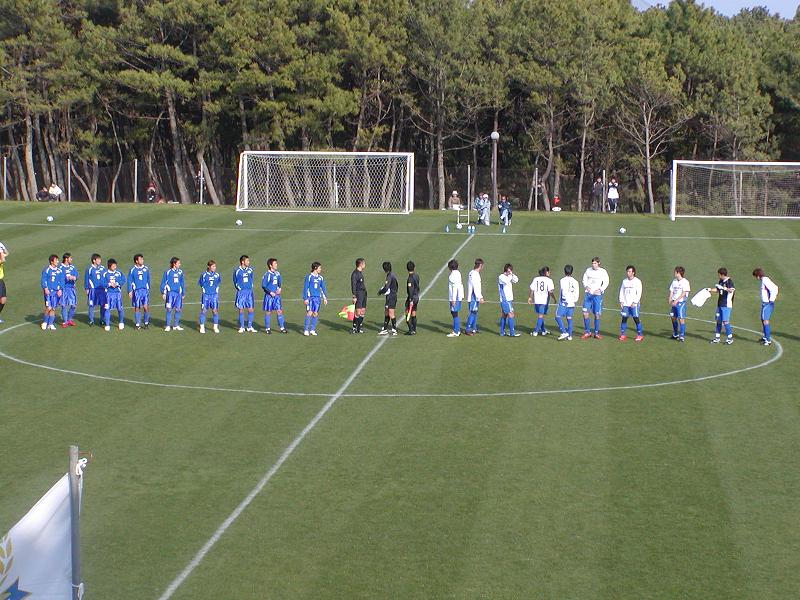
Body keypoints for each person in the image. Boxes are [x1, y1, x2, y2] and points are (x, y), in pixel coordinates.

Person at [581, 257, 610, 339]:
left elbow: (606, 281)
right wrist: (586, 286)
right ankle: (587, 332)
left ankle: (596, 333)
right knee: (585, 313)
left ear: (598, 263)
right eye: (593, 263)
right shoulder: (588, 270)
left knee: (597, 314)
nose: (593, 265)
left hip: (597, 296)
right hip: (588, 295)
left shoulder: (603, 271)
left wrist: (600, 289)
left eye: (595, 263)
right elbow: (584, 279)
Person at [706, 268, 735, 345]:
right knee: (718, 321)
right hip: (720, 304)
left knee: (725, 321)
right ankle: (717, 338)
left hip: (726, 305)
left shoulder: (729, 281)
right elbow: (718, 290)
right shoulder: (721, 281)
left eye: (718, 274)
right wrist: (710, 289)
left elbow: (731, 290)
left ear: (722, 274)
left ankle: (730, 338)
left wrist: (724, 288)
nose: (718, 276)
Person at [753, 268, 779, 346]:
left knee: (765, 321)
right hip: (765, 304)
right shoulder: (763, 280)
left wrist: (771, 300)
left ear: (758, 275)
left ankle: (768, 340)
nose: (756, 278)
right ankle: (765, 337)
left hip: (767, 304)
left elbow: (775, 288)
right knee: (763, 319)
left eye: (756, 276)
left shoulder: (765, 280)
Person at [261, 258, 287, 334]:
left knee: (279, 311)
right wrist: (270, 292)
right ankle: (267, 328)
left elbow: (279, 282)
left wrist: (279, 288)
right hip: (269, 297)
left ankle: (282, 328)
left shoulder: (277, 273)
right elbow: (263, 286)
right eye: (275, 263)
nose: (276, 265)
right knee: (268, 312)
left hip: (276, 296)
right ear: (270, 265)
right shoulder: (267, 274)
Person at [618, 265, 644, 342]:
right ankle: (622, 334)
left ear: (633, 272)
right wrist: (621, 301)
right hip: (625, 304)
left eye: (629, 271)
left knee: (636, 318)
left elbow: (639, 293)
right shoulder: (624, 281)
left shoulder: (637, 281)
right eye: (627, 271)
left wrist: (635, 302)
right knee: (624, 318)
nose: (628, 273)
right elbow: (621, 291)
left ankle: (639, 335)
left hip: (634, 304)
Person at [528, 266, 555, 336]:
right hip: (544, 300)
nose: (549, 273)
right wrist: (554, 298)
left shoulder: (536, 279)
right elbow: (550, 291)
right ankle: (536, 332)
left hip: (537, 300)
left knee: (540, 315)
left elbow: (532, 289)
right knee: (540, 316)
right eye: (549, 272)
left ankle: (543, 330)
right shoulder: (549, 280)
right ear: (546, 272)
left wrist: (530, 298)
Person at [302, 261, 327, 336]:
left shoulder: (320, 278)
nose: (320, 269)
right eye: (320, 268)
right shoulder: (309, 277)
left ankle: (312, 329)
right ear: (315, 268)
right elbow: (305, 288)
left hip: (317, 298)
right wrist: (305, 298)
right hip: (310, 298)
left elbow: (322, 288)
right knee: (309, 312)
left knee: (315, 313)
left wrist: (325, 298)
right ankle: (306, 330)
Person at [160, 257, 185, 332]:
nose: (180, 264)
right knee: (169, 309)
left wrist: (183, 293)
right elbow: (163, 283)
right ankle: (167, 326)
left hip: (178, 294)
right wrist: (163, 293)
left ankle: (176, 325)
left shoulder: (180, 272)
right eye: (178, 263)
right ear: (174, 264)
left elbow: (182, 283)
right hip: (170, 294)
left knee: (178, 309)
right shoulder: (167, 272)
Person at [556, 264, 580, 341]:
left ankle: (564, 332)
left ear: (564, 271)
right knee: (569, 318)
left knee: (557, 316)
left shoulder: (562, 280)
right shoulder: (575, 281)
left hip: (564, 302)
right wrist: (574, 300)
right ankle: (570, 336)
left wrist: (564, 300)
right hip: (572, 303)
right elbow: (577, 293)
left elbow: (564, 291)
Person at [40, 254, 63, 331]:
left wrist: (60, 289)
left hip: (56, 292)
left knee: (53, 308)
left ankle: (50, 324)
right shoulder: (46, 270)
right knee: (48, 307)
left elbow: (61, 281)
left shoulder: (59, 271)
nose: (58, 262)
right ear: (51, 261)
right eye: (56, 260)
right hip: (49, 292)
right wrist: (45, 288)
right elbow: (43, 280)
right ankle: (45, 322)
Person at [233, 255, 256, 333]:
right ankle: (242, 327)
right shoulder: (237, 271)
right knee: (241, 309)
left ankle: (249, 327)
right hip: (241, 292)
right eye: (247, 261)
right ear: (243, 262)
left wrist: (250, 286)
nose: (248, 262)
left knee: (251, 309)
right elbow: (235, 281)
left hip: (249, 292)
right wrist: (239, 288)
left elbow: (251, 278)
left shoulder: (250, 270)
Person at [128, 254, 151, 330]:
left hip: (144, 291)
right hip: (136, 291)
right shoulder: (132, 270)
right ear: (136, 261)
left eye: (142, 259)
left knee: (146, 307)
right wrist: (129, 291)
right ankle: (137, 324)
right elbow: (129, 281)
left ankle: (146, 323)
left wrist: (148, 288)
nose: (142, 260)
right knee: (137, 307)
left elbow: (148, 279)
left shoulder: (146, 269)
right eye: (140, 259)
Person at [102, 258, 126, 331]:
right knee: (107, 309)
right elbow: (102, 283)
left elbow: (124, 279)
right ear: (109, 266)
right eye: (113, 266)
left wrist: (117, 283)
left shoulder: (119, 272)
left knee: (120, 308)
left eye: (115, 266)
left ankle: (121, 322)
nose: (115, 267)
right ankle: (107, 324)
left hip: (117, 293)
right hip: (108, 294)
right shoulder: (105, 274)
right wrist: (109, 284)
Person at [667, 266, 690, 341]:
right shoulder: (674, 281)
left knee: (681, 318)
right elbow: (672, 290)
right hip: (674, 302)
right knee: (673, 317)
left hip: (681, 302)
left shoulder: (685, 282)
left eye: (675, 272)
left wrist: (676, 300)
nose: (674, 273)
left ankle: (682, 335)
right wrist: (670, 298)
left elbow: (684, 293)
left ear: (678, 273)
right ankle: (675, 334)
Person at [497, 263, 521, 337]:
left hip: (508, 299)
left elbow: (516, 280)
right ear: (506, 270)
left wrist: (512, 274)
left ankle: (502, 332)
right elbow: (507, 281)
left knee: (504, 315)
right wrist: (510, 275)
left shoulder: (509, 276)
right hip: (505, 299)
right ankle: (512, 333)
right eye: (509, 270)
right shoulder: (501, 277)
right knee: (511, 314)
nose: (510, 272)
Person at [198, 260, 221, 334]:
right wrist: (204, 290)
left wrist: (216, 290)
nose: (215, 267)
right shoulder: (204, 275)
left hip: (214, 295)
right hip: (206, 296)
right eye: (213, 266)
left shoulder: (217, 275)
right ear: (209, 267)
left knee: (215, 311)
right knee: (204, 311)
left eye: (215, 266)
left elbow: (218, 283)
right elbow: (201, 284)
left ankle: (215, 327)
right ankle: (202, 327)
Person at [377, 261, 399, 335]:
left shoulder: (389, 276)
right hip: (390, 296)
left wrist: (380, 292)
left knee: (391, 313)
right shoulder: (392, 275)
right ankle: (385, 329)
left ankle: (394, 330)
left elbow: (386, 287)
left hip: (391, 297)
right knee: (386, 312)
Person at [84, 253, 106, 326]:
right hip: (93, 290)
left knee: (103, 304)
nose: (100, 261)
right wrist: (87, 288)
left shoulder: (102, 268)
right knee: (91, 305)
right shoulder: (89, 269)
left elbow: (106, 277)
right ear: (94, 260)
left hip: (102, 289)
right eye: (98, 259)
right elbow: (86, 279)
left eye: (100, 259)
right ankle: (91, 320)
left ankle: (102, 319)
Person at [465, 258, 485, 336]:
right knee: (473, 312)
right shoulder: (475, 275)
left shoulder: (472, 272)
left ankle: (474, 328)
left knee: (475, 312)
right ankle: (467, 329)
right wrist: (480, 297)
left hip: (473, 296)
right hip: (473, 297)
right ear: (480, 265)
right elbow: (476, 287)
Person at [59, 253, 78, 327]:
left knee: (73, 305)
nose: (71, 259)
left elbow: (76, 275)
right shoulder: (60, 268)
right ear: (66, 259)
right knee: (64, 305)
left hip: (71, 288)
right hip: (64, 288)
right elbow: (58, 278)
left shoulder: (72, 267)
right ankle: (65, 321)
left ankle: (69, 319)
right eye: (70, 258)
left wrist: (74, 277)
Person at [446, 259, 464, 337]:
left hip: (455, 297)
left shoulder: (452, 276)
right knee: (454, 313)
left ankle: (456, 331)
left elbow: (454, 288)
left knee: (454, 313)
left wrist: (453, 299)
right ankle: (457, 330)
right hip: (458, 296)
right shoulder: (458, 273)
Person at [351, 258, 367, 334]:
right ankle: (354, 328)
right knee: (358, 312)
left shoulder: (360, 273)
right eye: (364, 263)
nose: (365, 265)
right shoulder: (355, 274)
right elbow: (353, 285)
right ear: (360, 264)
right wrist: (354, 296)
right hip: (358, 294)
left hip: (364, 293)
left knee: (363, 311)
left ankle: (359, 328)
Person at [405, 261, 420, 335]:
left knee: (407, 313)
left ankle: (410, 330)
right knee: (413, 312)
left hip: (412, 298)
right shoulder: (416, 275)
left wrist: (410, 300)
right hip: (416, 296)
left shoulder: (410, 278)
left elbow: (410, 290)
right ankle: (414, 329)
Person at [0, 241, 7, 324]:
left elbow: (7, 253)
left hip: (0, 281)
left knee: (3, 300)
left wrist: (3, 248)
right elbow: (3, 259)